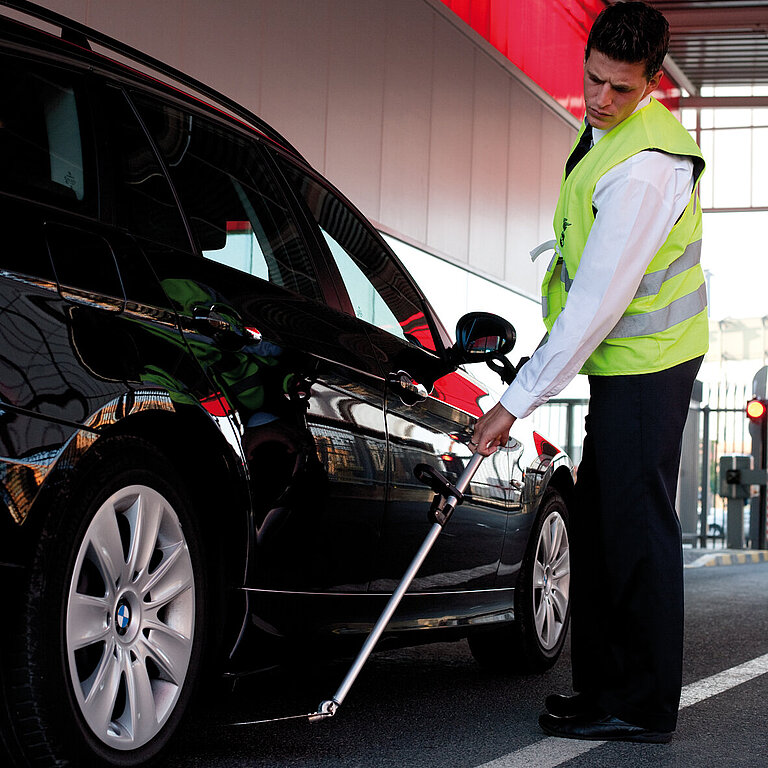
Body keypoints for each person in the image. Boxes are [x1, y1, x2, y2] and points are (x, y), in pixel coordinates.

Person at [470, 1, 706, 744]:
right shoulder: (610, 128)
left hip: (648, 363)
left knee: (636, 531)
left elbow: (597, 306)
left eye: (620, 89)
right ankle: (603, 686)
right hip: (623, 363)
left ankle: (639, 705)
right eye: (593, 80)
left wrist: (514, 404)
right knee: (606, 526)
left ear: (652, 82)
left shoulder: (645, 168)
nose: (600, 100)